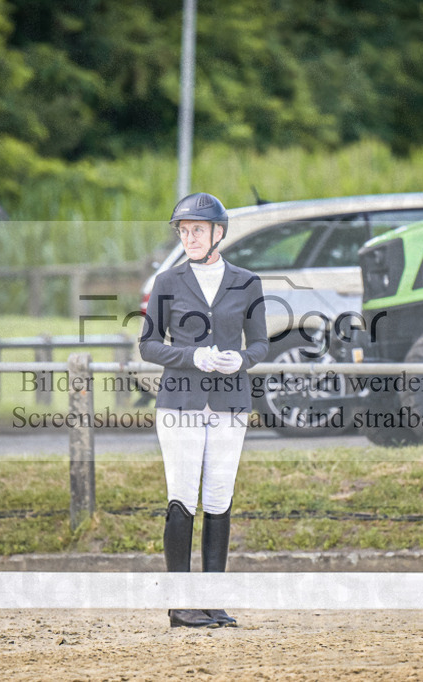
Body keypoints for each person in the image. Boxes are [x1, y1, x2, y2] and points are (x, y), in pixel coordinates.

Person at [139, 192, 269, 628]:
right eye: (183, 230)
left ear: (218, 233)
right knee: (182, 496)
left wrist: (243, 360)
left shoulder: (247, 282)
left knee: (219, 497)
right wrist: (190, 357)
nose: (188, 236)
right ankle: (180, 605)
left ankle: (213, 600)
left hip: (230, 402)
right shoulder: (168, 283)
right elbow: (148, 344)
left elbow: (262, 342)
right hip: (181, 401)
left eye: (196, 229)